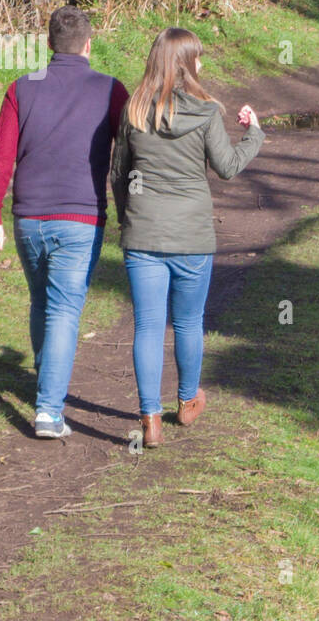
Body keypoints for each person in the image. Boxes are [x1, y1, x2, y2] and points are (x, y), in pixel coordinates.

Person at [0, 7, 129, 438]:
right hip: (81, 218)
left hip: (28, 218)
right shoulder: (110, 90)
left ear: (48, 45)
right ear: (88, 46)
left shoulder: (22, 89)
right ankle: (48, 410)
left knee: (42, 302)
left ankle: (48, 378)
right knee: (63, 309)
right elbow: (135, 147)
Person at [111, 27, 264, 449]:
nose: (202, 65)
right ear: (186, 62)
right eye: (198, 57)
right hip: (192, 237)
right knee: (189, 321)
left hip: (143, 234)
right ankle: (187, 401)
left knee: (147, 325)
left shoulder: (134, 109)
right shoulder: (206, 111)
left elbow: (119, 174)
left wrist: (129, 218)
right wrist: (255, 135)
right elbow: (229, 166)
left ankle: (150, 416)